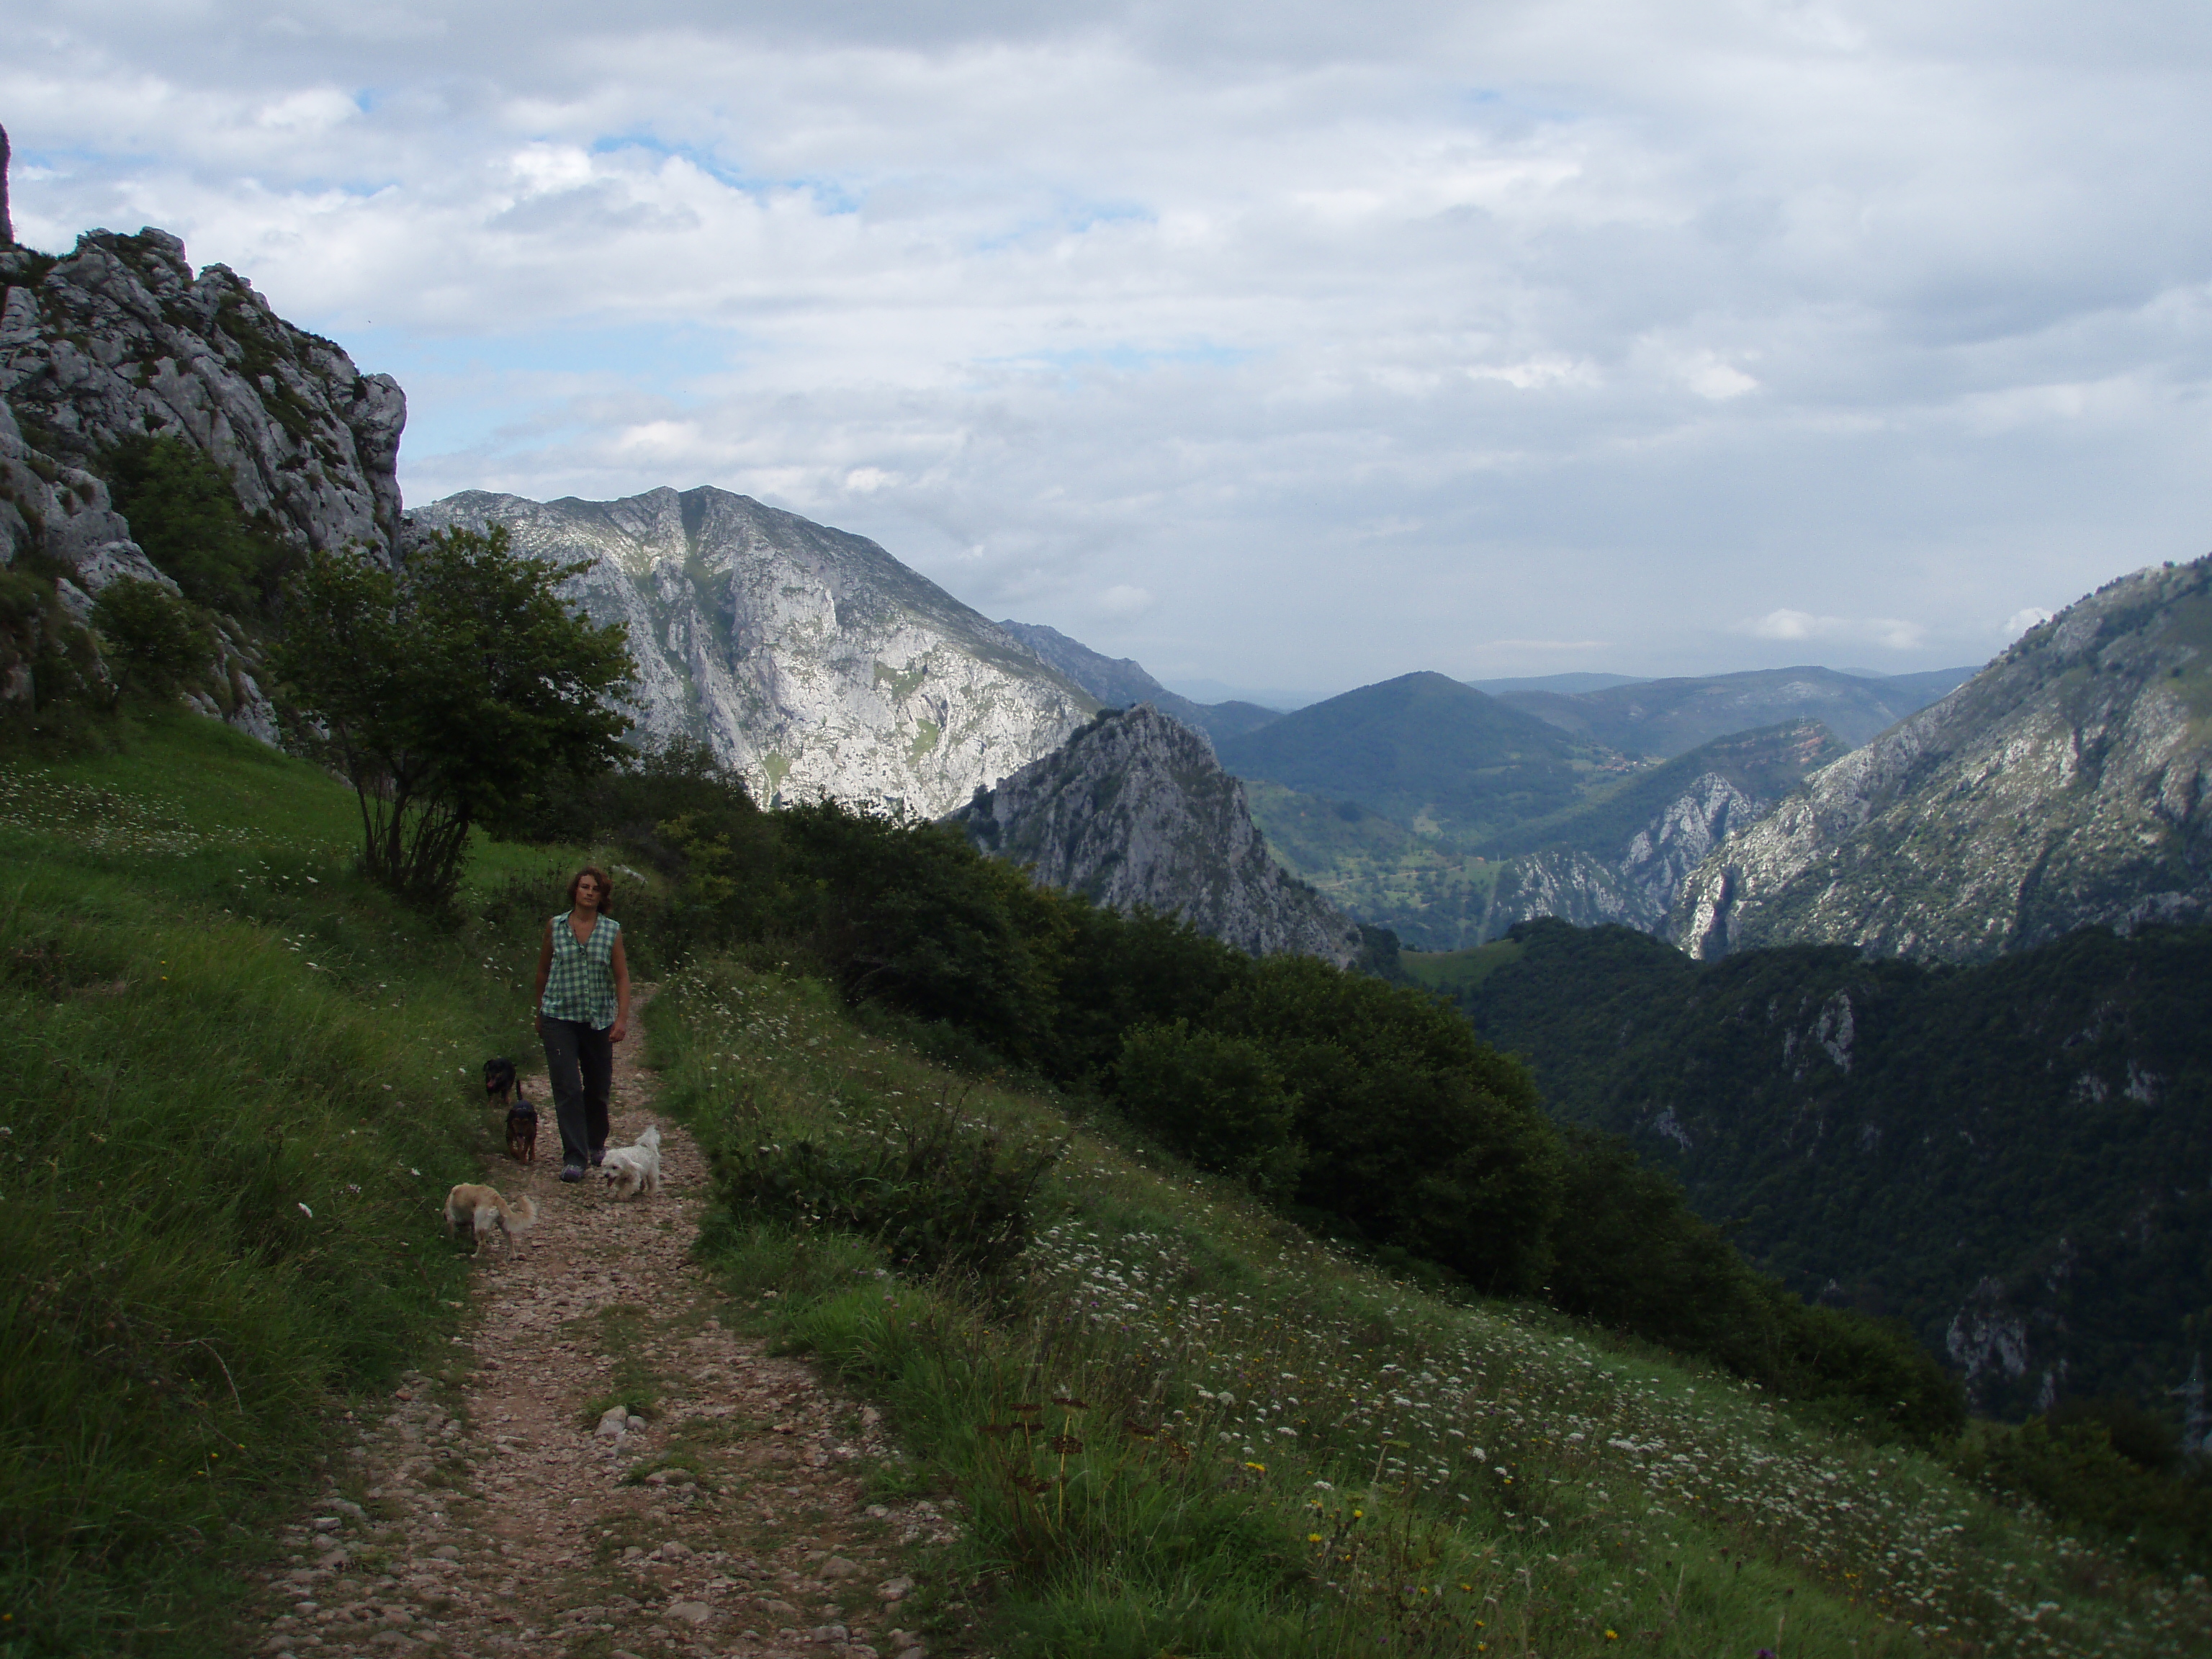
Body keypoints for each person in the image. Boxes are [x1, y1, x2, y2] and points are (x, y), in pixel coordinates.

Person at [534, 866, 631, 1183]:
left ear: (602, 896)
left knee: (598, 1088)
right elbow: (543, 971)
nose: (589, 893)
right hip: (558, 1017)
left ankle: (595, 1144)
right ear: (575, 890)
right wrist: (539, 1012)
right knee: (568, 1088)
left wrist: (621, 1019)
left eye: (595, 889)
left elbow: (621, 977)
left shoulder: (611, 931)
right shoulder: (556, 926)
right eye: (584, 886)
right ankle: (574, 1157)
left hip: (598, 1020)